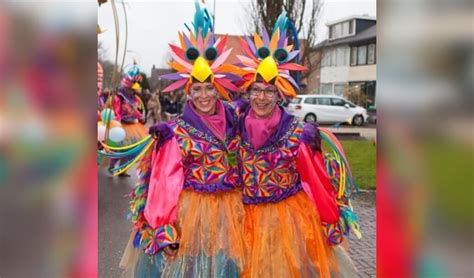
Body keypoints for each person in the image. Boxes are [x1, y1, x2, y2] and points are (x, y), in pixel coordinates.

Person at [118, 3, 246, 277]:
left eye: (209, 88)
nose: (204, 95)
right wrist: (164, 229)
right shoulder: (175, 132)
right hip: (190, 216)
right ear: (188, 92)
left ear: (219, 88)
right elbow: (164, 182)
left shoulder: (236, 120)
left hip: (231, 216)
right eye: (197, 89)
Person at [234, 12, 360, 277]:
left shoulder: (298, 134)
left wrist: (329, 219)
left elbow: (316, 180)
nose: (262, 97)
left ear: (280, 95)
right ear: (248, 92)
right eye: (256, 90)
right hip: (245, 220)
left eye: (269, 91)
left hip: (288, 221)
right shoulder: (236, 124)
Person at [108, 65, 148, 177]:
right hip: (121, 126)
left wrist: (140, 117)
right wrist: (117, 124)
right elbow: (116, 111)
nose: (133, 89)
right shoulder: (119, 97)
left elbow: (134, 111)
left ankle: (123, 169)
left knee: (132, 148)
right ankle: (112, 166)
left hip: (132, 126)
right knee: (119, 149)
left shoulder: (133, 97)